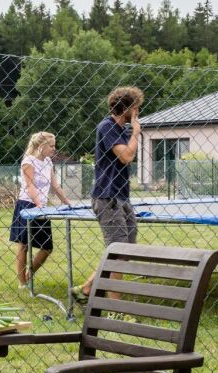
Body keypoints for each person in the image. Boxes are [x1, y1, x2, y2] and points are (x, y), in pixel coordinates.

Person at [70, 86, 143, 305]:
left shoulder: (122, 129)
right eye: (136, 106)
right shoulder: (107, 127)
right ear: (126, 108)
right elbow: (126, 157)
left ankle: (85, 288)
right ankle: (114, 307)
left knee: (125, 249)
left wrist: (132, 132)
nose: (138, 111)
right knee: (118, 253)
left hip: (122, 197)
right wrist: (136, 132)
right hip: (107, 197)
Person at [9, 131, 72, 285]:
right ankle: (22, 283)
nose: (53, 149)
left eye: (54, 146)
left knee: (47, 248)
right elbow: (30, 186)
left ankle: (29, 274)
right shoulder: (28, 162)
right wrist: (38, 204)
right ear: (41, 146)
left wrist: (67, 202)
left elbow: (55, 185)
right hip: (27, 205)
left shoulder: (48, 162)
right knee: (23, 245)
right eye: (51, 146)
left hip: (42, 208)